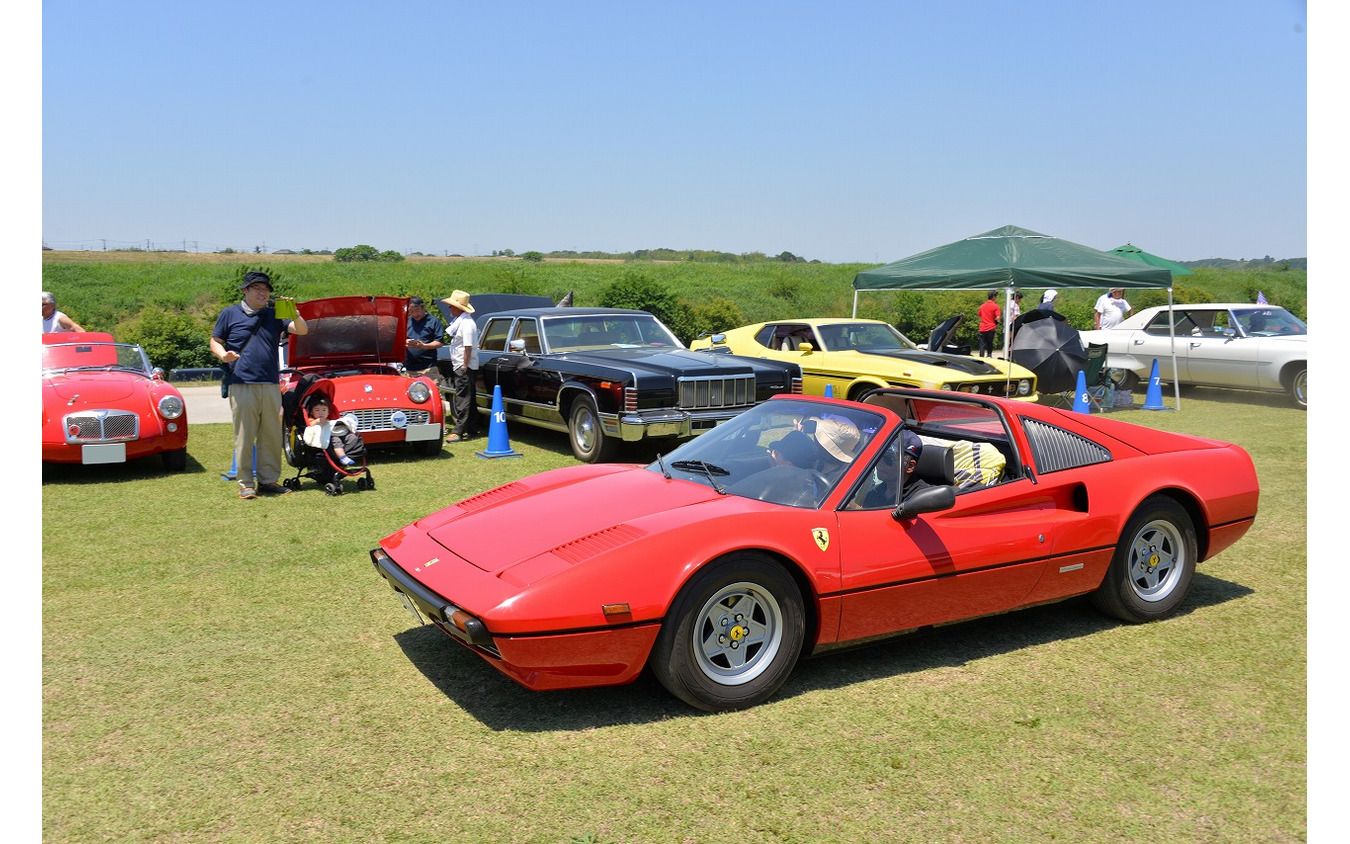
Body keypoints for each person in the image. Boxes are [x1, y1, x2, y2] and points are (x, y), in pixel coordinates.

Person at [210, 271, 308, 499]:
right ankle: (246, 483)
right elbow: (215, 340)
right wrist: (223, 355)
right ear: (245, 290)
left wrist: (296, 313)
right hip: (242, 383)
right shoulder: (229, 313)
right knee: (245, 435)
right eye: (257, 289)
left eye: (266, 290)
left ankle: (268, 481)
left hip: (271, 383)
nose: (263, 293)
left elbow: (302, 330)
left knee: (272, 434)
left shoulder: (275, 314)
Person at [441, 289, 480, 442]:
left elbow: (468, 347)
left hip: (465, 365)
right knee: (468, 397)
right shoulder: (461, 322)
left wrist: (464, 366)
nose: (450, 308)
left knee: (463, 397)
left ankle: (458, 431)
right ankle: (472, 429)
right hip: (462, 364)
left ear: (458, 307)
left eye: (451, 306)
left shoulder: (467, 324)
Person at [403, 296, 449, 417]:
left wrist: (424, 346)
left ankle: (440, 424)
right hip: (410, 367)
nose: (414, 314)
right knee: (411, 397)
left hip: (428, 367)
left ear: (423, 308)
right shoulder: (407, 321)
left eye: (416, 310)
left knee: (434, 396)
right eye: (411, 311)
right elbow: (399, 339)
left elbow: (439, 342)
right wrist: (406, 343)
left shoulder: (434, 322)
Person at [302, 395, 359, 468]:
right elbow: (310, 425)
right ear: (312, 412)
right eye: (317, 410)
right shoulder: (312, 420)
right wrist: (317, 421)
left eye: (324, 410)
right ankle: (342, 457)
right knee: (336, 440)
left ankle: (353, 452)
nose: (321, 413)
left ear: (328, 412)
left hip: (337, 434)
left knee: (351, 436)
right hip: (326, 439)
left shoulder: (330, 420)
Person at [976, 291, 1001, 357]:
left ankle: (981, 357)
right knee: (990, 343)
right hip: (991, 327)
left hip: (983, 327)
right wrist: (996, 323)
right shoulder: (996, 306)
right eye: (996, 296)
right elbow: (998, 318)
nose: (996, 298)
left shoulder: (982, 306)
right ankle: (989, 356)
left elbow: (979, 315)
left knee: (982, 344)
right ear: (993, 297)